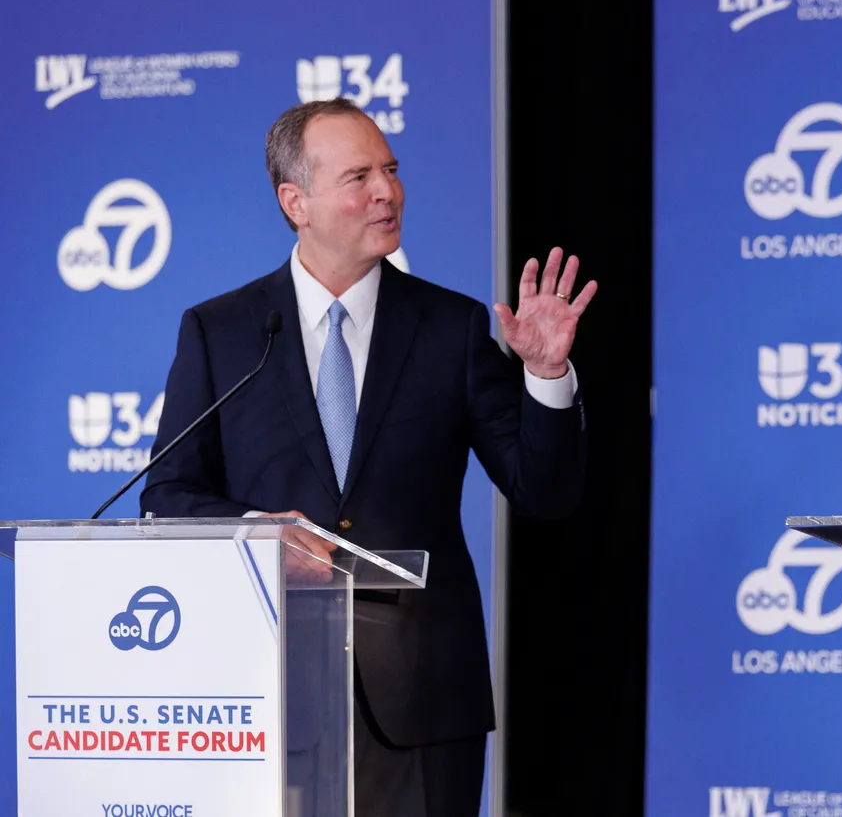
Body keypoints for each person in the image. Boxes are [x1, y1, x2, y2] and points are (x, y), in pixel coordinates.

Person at [140, 98, 593, 816]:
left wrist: (544, 378)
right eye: (359, 176)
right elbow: (166, 495)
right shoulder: (221, 332)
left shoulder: (451, 326)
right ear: (298, 202)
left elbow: (545, 492)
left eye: (390, 170)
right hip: (265, 694)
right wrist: (264, 530)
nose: (387, 191)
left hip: (423, 702)